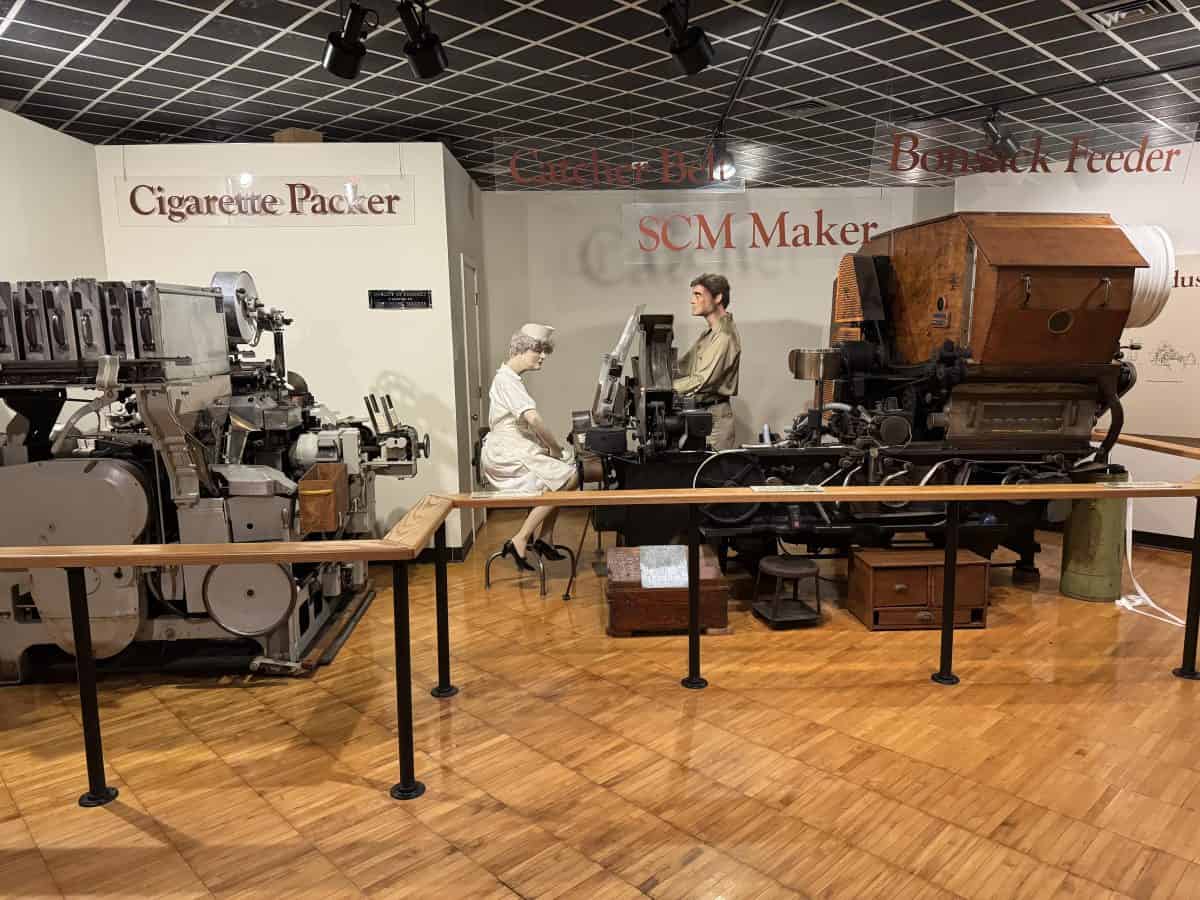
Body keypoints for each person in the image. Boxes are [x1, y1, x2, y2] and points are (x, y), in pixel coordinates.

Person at [480, 323, 579, 572]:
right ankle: (521, 538)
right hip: (506, 453)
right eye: (539, 350)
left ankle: (544, 538)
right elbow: (534, 419)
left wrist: (554, 450)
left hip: (513, 446)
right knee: (570, 475)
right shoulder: (507, 380)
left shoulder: (509, 378)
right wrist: (554, 449)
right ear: (522, 349)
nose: (543, 356)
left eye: (545, 351)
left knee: (564, 470)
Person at [672, 273, 741, 450]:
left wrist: (667, 388)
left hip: (714, 423)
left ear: (718, 298)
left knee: (709, 468)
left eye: (698, 295)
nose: (692, 301)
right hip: (702, 416)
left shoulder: (724, 335)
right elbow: (683, 366)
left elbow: (702, 380)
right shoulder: (709, 333)